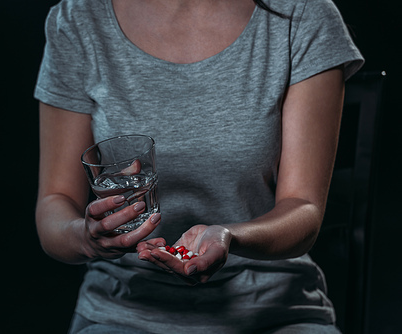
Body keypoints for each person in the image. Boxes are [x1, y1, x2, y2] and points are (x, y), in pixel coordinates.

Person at [34, 0, 364, 332]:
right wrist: (86, 238)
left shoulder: (303, 13)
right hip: (123, 311)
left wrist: (229, 236)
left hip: (273, 310)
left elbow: (304, 208)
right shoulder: (78, 18)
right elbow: (54, 204)